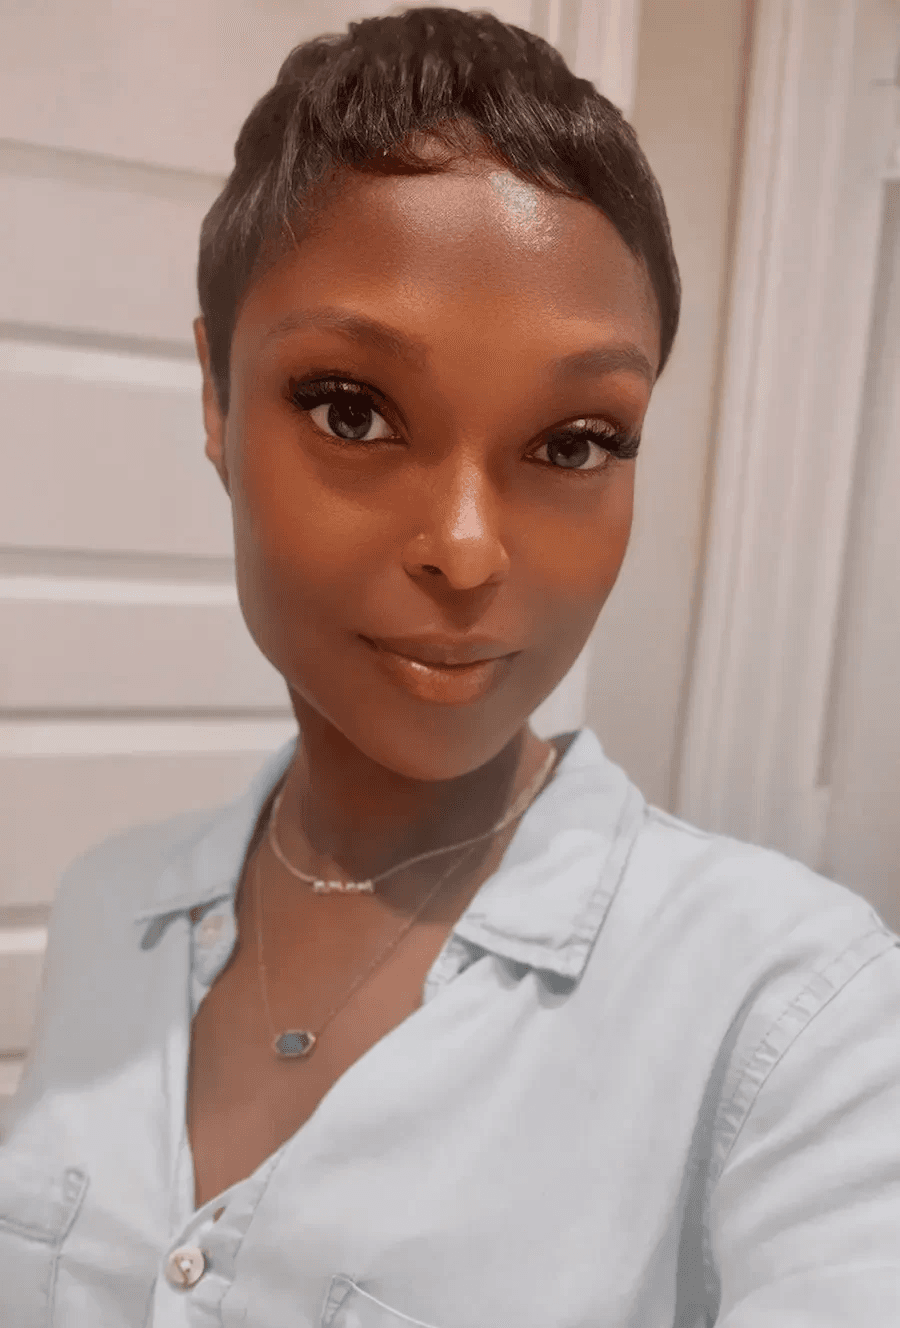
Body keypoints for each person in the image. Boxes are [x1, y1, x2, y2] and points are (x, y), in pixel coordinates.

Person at [1, 6, 898, 1325]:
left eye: (576, 441)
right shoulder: (108, 909)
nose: (469, 551)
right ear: (215, 402)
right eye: (352, 411)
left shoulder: (792, 1014)